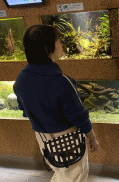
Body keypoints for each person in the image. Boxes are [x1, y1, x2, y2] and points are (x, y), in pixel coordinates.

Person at [13, 24, 99, 182]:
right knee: (75, 175)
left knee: (61, 172)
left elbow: (23, 108)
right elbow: (79, 117)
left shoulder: (21, 78)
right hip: (69, 138)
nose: (61, 44)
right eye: (58, 41)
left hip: (43, 139)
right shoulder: (62, 82)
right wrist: (92, 138)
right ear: (47, 48)